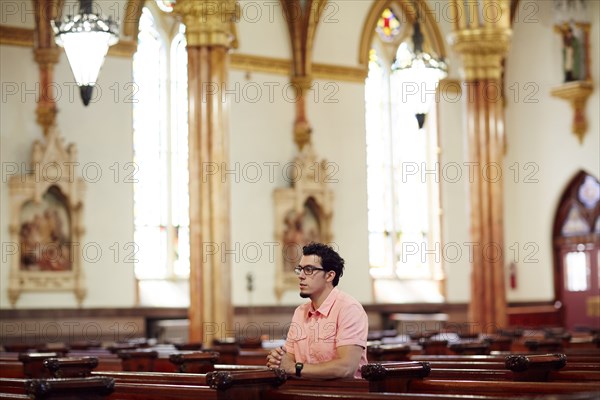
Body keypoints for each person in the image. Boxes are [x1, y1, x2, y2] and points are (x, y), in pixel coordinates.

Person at [266, 242, 368, 379]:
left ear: (329, 276)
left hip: (345, 393)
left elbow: (346, 368)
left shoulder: (349, 309)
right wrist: (278, 360)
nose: (301, 275)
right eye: (300, 269)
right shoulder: (300, 312)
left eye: (308, 269)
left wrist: (294, 368)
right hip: (307, 391)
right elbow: (288, 359)